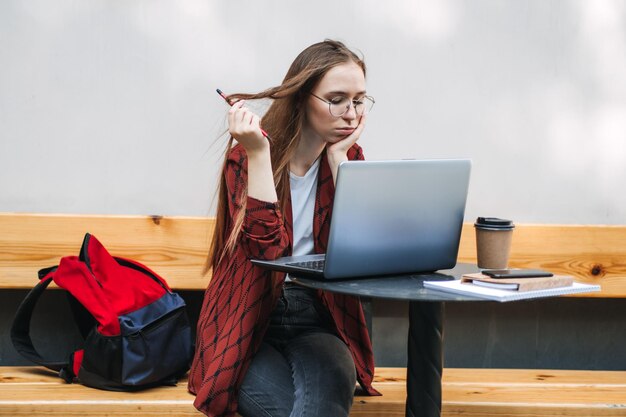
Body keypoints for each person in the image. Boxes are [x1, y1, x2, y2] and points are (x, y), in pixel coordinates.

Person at [188, 39, 380, 417]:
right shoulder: (248, 155)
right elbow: (266, 253)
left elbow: (366, 252)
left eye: (359, 100)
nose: (351, 113)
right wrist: (259, 155)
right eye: (337, 98)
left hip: (319, 318)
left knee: (324, 401)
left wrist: (340, 161)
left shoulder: (350, 158)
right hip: (247, 319)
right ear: (302, 97)